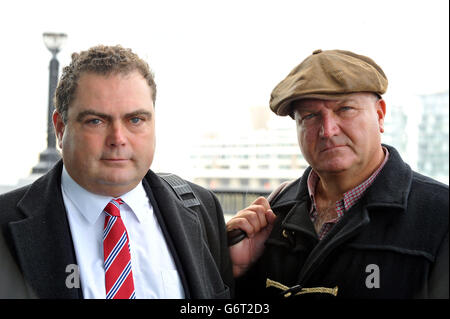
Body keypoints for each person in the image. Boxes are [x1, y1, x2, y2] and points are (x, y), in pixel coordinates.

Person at [0, 45, 232, 299]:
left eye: (135, 120)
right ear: (60, 128)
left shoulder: (202, 208)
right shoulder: (5, 223)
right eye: (96, 121)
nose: (118, 138)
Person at [227, 49, 449, 299]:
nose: (328, 130)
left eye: (345, 109)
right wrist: (235, 272)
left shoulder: (440, 215)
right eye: (310, 116)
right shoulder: (274, 212)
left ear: (380, 114)